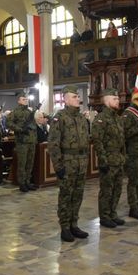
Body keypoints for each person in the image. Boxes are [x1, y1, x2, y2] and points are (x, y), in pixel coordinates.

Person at [48, 85, 90, 242]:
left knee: (78, 195)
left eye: (78, 96)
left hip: (81, 163)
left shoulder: (81, 118)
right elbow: (53, 144)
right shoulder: (60, 118)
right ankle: (64, 227)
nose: (78, 99)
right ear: (65, 99)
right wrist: (58, 166)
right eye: (74, 96)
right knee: (66, 196)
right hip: (67, 163)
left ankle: (74, 224)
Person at [91, 88, 125, 228]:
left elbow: (122, 140)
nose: (118, 101)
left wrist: (123, 157)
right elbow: (98, 142)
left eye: (118, 99)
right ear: (107, 100)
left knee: (117, 188)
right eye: (115, 99)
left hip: (118, 159)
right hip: (108, 160)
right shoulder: (101, 119)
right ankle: (104, 216)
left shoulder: (117, 118)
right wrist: (103, 161)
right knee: (106, 190)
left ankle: (113, 213)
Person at [7, 92, 38, 192]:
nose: (26, 100)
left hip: (31, 140)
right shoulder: (15, 112)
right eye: (24, 99)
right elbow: (9, 123)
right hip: (22, 141)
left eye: (26, 99)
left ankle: (28, 182)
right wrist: (19, 129)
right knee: (22, 164)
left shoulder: (29, 112)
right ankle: (22, 183)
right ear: (19, 100)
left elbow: (33, 126)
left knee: (30, 163)